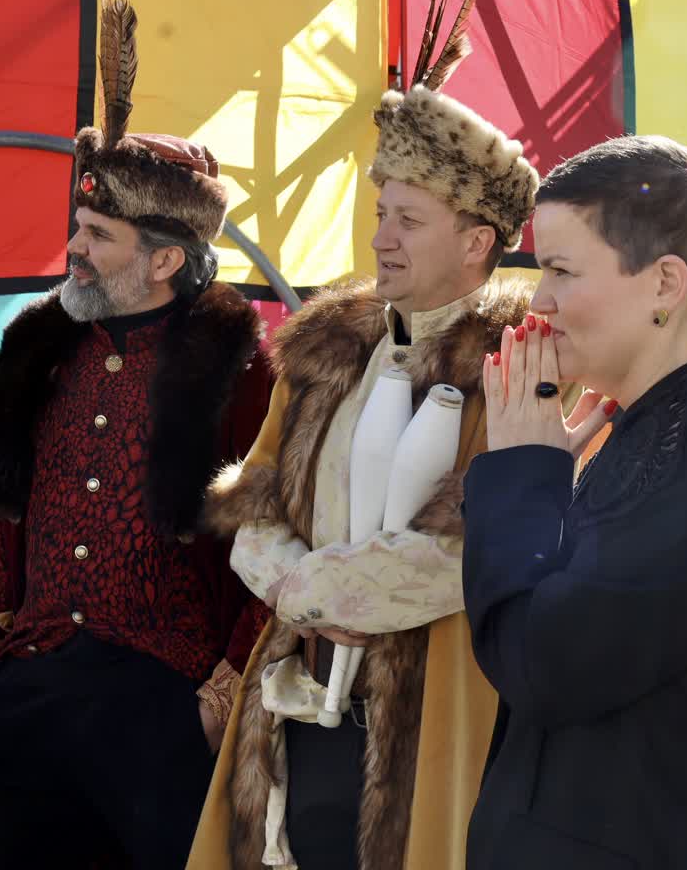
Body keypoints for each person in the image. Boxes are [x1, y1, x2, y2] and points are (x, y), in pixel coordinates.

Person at [0, 0, 271, 870]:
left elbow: (277, 533)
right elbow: (3, 510)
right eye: (78, 228)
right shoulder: (38, 344)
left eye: (98, 235)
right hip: (28, 693)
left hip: (165, 704)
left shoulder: (244, 367)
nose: (75, 250)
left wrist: (221, 691)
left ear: (165, 257)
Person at [188, 83, 540, 870]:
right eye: (381, 213)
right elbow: (254, 503)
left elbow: (475, 549)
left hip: (433, 714)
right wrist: (302, 591)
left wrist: (317, 591)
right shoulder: (328, 348)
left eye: (408, 220)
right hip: (298, 708)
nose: (381, 238)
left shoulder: (518, 364)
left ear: (477, 241)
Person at [460, 135, 687, 869]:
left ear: (664, 284)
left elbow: (544, 666)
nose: (539, 300)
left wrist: (522, 475)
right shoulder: (659, 427)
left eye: (561, 270)